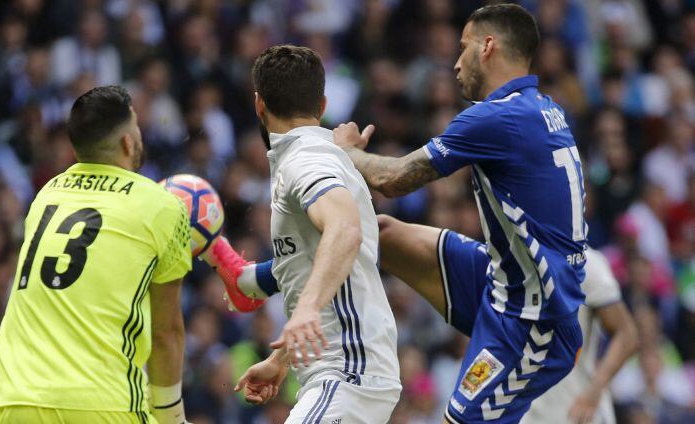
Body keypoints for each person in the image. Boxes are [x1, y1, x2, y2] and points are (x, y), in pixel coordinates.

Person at [333, 4, 588, 423]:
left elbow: (394, 180)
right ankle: (287, 296)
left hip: (532, 323)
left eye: (463, 47)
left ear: (488, 46)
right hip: (501, 280)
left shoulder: (497, 118)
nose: (454, 64)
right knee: (382, 234)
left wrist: (347, 151)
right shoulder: (544, 109)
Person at [0, 86, 192, 424]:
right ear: (128, 142)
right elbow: (165, 331)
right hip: (102, 401)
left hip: (15, 398)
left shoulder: (46, 196)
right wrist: (172, 417)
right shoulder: (160, 205)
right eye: (136, 127)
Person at [230, 45, 401, 424]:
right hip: (343, 373)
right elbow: (316, 264)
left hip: (346, 374)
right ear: (322, 106)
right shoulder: (316, 155)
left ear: (259, 104)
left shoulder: (306, 160)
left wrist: (305, 308)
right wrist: (281, 359)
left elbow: (344, 229)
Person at [523, 248, 639, 424]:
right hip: (525, 409)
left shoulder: (585, 261)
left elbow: (627, 334)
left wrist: (594, 390)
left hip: (575, 410)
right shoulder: (509, 254)